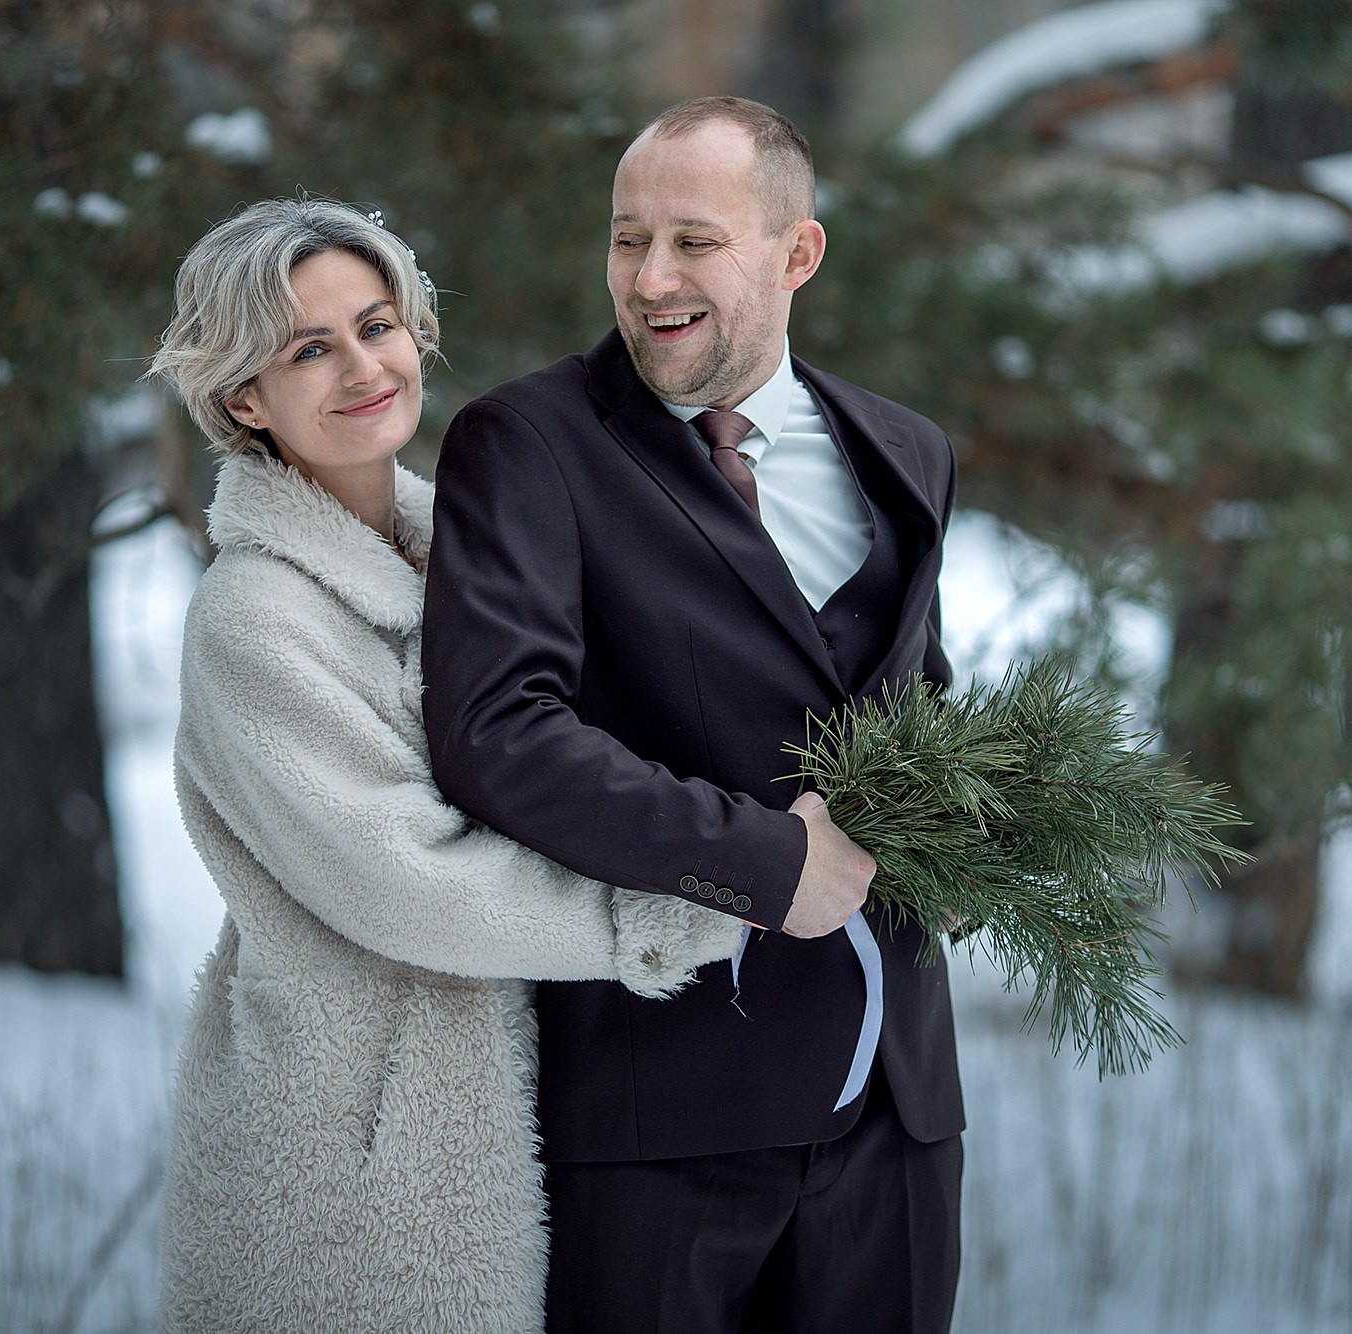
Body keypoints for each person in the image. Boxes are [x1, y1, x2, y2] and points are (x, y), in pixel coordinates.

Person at [147, 198, 740, 1334]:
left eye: (375, 325)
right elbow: (400, 878)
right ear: (240, 396)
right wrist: (665, 910)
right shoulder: (253, 616)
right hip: (353, 1141)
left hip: (510, 1092)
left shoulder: (462, 559)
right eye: (307, 348)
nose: (362, 366)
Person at [422, 97, 965, 1331]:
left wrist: (979, 837)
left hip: (898, 1113)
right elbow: (496, 730)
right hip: (658, 1120)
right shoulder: (527, 444)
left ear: (796, 255)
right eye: (625, 240)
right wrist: (768, 861)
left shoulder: (906, 452)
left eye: (692, 241)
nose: (648, 277)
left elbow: (913, 701)